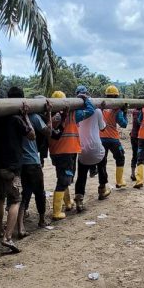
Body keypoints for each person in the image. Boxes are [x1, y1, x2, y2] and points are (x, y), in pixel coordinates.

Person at [0, 101, 35, 253]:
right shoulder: (15, 120)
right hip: (11, 168)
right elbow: (32, 135)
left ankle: (0, 229)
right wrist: (26, 116)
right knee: (15, 201)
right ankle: (7, 237)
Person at [48, 90, 95, 220]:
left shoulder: (48, 115)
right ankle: (57, 212)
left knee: (62, 177)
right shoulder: (73, 114)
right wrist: (85, 99)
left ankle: (68, 203)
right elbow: (91, 110)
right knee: (64, 180)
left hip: (55, 152)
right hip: (68, 151)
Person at [11, 88, 52, 231]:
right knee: (39, 192)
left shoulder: (9, 116)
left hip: (17, 163)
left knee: (25, 193)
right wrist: (49, 113)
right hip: (32, 162)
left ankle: (21, 225)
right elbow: (48, 132)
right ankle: (41, 220)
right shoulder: (32, 117)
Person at [73, 85, 106, 211]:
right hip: (97, 150)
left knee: (81, 176)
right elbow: (102, 128)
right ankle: (102, 189)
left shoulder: (76, 113)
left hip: (82, 151)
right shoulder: (97, 111)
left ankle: (79, 199)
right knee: (102, 164)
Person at [99, 85, 128, 191]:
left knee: (102, 161)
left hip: (101, 139)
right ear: (117, 96)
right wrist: (124, 112)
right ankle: (119, 181)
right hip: (113, 139)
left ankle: (103, 185)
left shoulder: (100, 107)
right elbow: (123, 124)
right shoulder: (117, 109)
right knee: (120, 158)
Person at [129, 105, 144, 182]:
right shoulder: (141, 112)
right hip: (141, 136)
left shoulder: (134, 111)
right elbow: (140, 123)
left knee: (135, 155)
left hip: (134, 135)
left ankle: (133, 174)